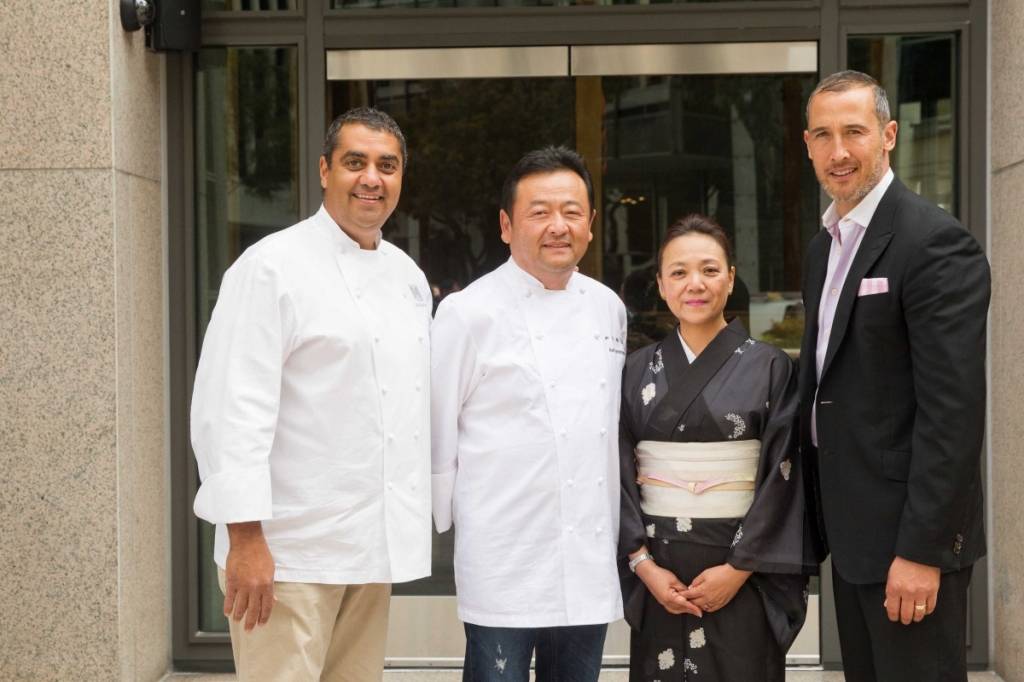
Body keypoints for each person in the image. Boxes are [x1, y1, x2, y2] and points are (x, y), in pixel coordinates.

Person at [190, 107, 432, 681]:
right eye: (355, 162)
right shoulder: (271, 266)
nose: (372, 177)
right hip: (287, 553)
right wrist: (245, 539)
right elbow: (231, 409)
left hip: (370, 550)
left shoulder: (407, 277)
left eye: (387, 165)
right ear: (325, 170)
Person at [799, 71, 990, 682]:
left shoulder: (934, 244)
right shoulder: (823, 247)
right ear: (807, 144)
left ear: (887, 136)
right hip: (851, 533)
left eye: (853, 132)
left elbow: (952, 416)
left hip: (907, 545)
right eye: (823, 135)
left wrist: (922, 552)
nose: (839, 152)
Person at [431, 146, 627, 682]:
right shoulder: (466, 313)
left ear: (590, 222)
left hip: (586, 551)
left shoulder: (609, 306)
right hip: (504, 555)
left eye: (570, 211)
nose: (557, 226)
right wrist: (444, 521)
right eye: (539, 212)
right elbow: (437, 431)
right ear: (505, 224)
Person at [619, 214, 813, 682]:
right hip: (660, 570)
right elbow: (619, 472)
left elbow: (784, 473)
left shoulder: (770, 367)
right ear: (661, 285)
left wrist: (740, 567)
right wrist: (643, 565)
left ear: (730, 278)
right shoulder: (636, 369)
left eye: (709, 270)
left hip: (742, 571)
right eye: (679, 272)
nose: (695, 284)